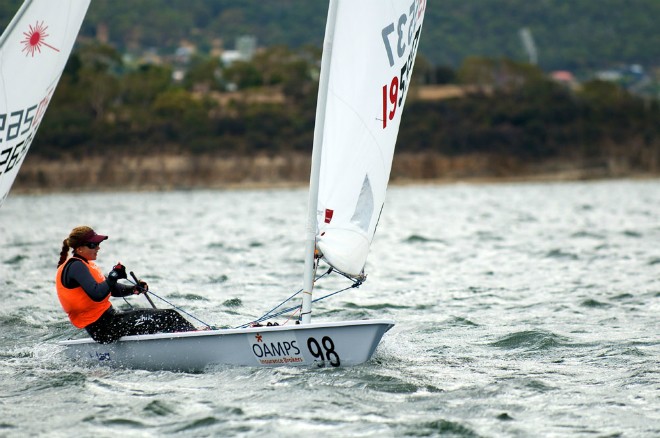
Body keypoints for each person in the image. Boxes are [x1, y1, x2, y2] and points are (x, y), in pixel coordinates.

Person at [56, 225, 196, 344]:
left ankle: (178, 340)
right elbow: (97, 294)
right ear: (79, 249)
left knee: (160, 317)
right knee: (169, 316)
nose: (98, 247)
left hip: (110, 322)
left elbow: (112, 289)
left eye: (98, 244)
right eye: (93, 245)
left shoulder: (86, 265)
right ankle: (195, 338)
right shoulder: (75, 266)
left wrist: (134, 289)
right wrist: (113, 276)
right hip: (104, 328)